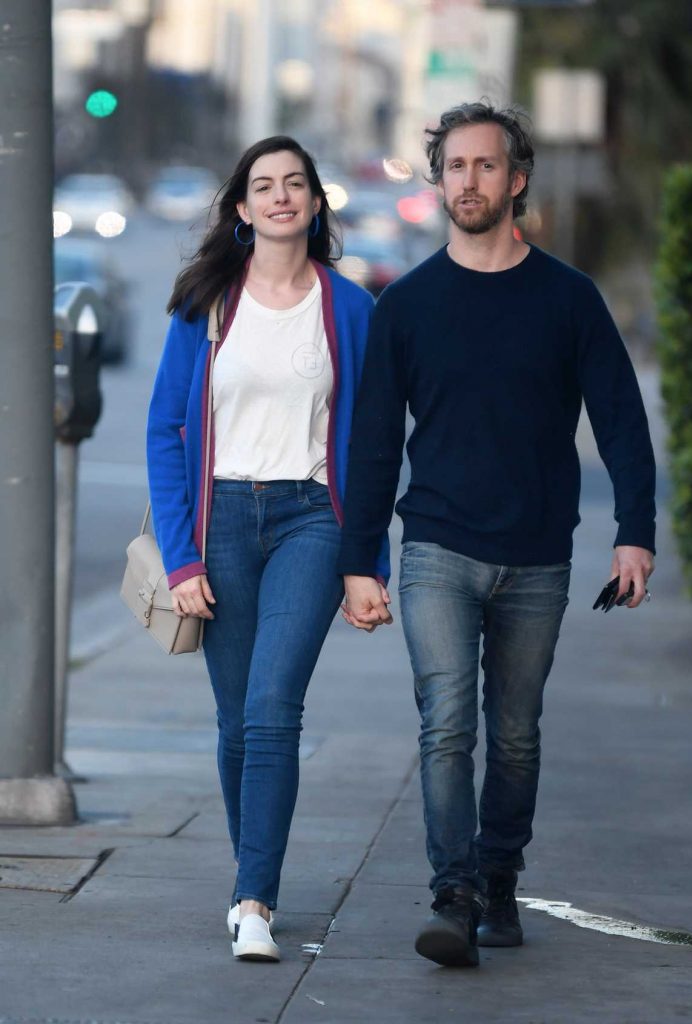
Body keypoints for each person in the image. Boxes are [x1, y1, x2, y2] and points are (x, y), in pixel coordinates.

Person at [337, 101, 656, 968]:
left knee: (514, 731)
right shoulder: (403, 306)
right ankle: (454, 893)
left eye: (485, 166)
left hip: (537, 556)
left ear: (515, 180)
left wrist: (635, 534)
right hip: (435, 547)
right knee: (446, 725)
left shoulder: (568, 298)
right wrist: (360, 562)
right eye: (454, 166)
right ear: (437, 179)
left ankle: (499, 875)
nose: (467, 181)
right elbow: (372, 447)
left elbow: (621, 420)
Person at [147, 136, 389, 963]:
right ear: (242, 210)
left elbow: (373, 445)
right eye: (263, 185)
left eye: (296, 184)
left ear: (316, 204)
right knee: (235, 723)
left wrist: (367, 564)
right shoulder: (207, 303)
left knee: (271, 709)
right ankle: (249, 870)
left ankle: (255, 901)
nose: (281, 195)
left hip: (310, 521)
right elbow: (164, 431)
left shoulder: (349, 310)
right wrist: (181, 561)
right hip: (222, 527)